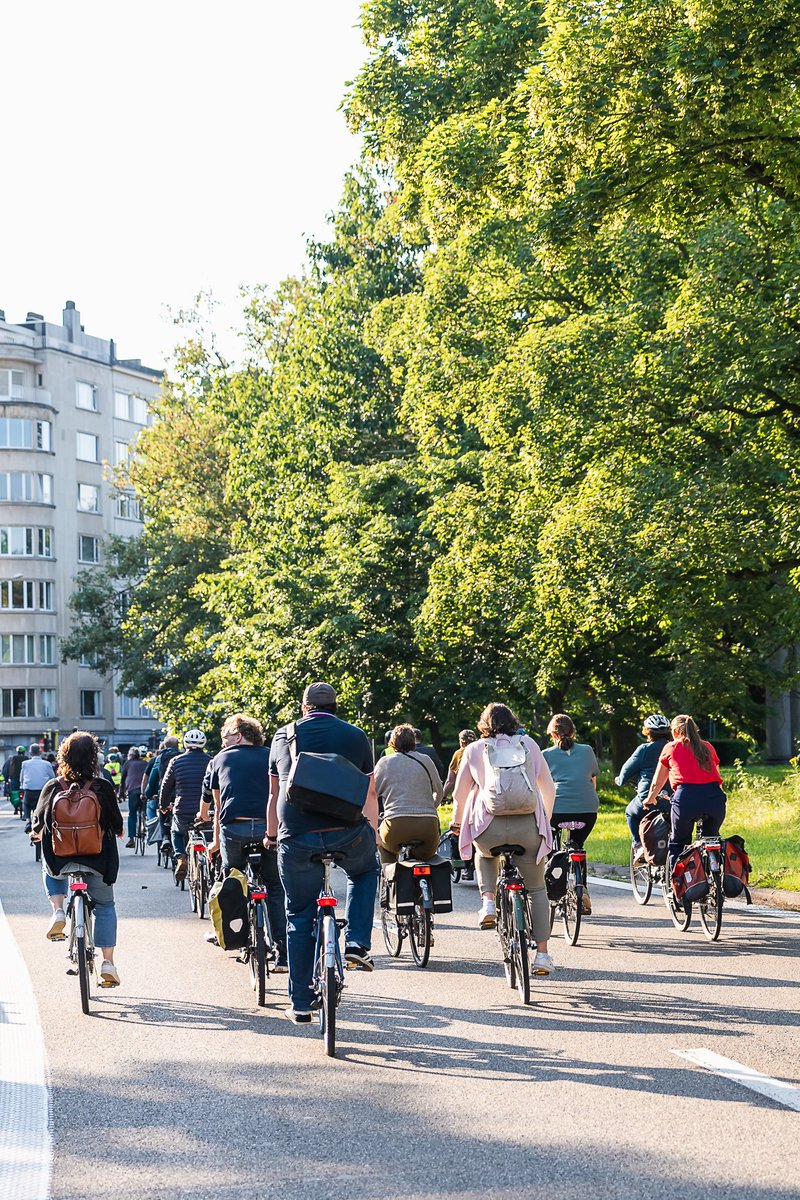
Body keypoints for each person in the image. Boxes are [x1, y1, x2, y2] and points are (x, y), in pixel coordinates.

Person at [269, 681, 379, 1023]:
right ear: (335, 707)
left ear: (304, 708)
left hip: (297, 834)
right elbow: (370, 793)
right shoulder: (357, 736)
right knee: (364, 871)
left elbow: (274, 795)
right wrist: (371, 836)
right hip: (346, 830)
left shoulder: (282, 736)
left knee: (299, 915)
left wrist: (272, 836)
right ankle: (357, 943)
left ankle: (300, 1002)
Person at [451, 702, 556, 974]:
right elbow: (548, 787)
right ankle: (542, 955)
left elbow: (460, 794)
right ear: (513, 720)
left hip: (489, 828)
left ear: (484, 724)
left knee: (484, 853)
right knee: (536, 890)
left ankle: (488, 900)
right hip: (528, 829)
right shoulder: (529, 744)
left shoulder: (474, 749)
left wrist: (457, 821)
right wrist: (546, 817)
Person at [31, 731, 123, 986]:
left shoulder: (53, 786)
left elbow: (38, 822)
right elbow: (117, 824)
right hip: (98, 861)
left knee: (48, 868)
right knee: (105, 906)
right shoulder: (102, 786)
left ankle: (59, 911)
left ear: (64, 756)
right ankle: (108, 962)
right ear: (95, 757)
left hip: (61, 861)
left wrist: (36, 834)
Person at [208, 713, 287, 971]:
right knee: (275, 887)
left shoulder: (219, 759)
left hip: (235, 828)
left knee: (233, 881)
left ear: (239, 735)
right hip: (269, 828)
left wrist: (215, 843)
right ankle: (282, 951)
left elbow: (219, 807)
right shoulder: (271, 755)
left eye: (226, 737)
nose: (223, 743)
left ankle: (237, 938)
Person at [644, 713, 727, 879]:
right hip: (715, 799)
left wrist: (650, 798)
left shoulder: (671, 748)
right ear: (695, 730)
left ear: (674, 732)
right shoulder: (708, 747)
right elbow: (717, 776)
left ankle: (678, 886)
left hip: (686, 799)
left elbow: (657, 782)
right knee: (711, 839)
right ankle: (714, 875)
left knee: (678, 843)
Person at [543, 714, 599, 915]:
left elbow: (542, 787)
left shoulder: (546, 754)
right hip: (587, 811)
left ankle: (552, 886)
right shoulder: (587, 750)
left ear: (553, 734)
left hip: (556, 811)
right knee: (578, 846)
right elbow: (592, 782)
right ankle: (582, 889)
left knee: (550, 847)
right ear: (573, 732)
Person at [374, 724, 443, 862]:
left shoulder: (385, 762)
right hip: (428, 825)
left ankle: (390, 871)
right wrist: (431, 807)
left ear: (392, 742)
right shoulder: (426, 760)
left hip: (395, 824)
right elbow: (439, 791)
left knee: (386, 848)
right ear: (414, 741)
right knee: (425, 855)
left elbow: (372, 793)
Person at [616, 714, 673, 863]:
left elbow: (624, 774)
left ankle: (639, 845)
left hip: (649, 799)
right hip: (674, 799)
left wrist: (619, 780)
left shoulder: (644, 749)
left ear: (647, 731)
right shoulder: (675, 747)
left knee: (631, 813)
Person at [159, 729, 212, 882]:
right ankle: (212, 864)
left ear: (184, 744)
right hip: (206, 811)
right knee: (210, 837)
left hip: (182, 810)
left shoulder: (176, 761)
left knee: (176, 832)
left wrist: (163, 805)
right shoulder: (211, 761)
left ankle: (181, 857)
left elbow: (166, 786)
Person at [20, 744, 55, 832]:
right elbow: (53, 778)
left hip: (29, 790)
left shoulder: (25, 764)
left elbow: (21, 778)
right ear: (40, 752)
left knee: (26, 803)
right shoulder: (47, 764)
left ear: (30, 753)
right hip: (42, 791)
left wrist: (22, 785)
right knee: (46, 807)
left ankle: (28, 819)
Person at [120, 747, 148, 847]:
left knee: (132, 814)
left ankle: (131, 838)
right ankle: (145, 827)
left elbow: (123, 779)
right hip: (144, 791)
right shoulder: (145, 763)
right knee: (145, 812)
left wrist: (121, 793)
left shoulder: (128, 763)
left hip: (132, 791)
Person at [3, 745, 28, 817]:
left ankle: (16, 808)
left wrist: (6, 779)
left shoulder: (11, 759)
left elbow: (6, 771)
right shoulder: (27, 759)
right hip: (24, 779)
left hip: (14, 780)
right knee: (27, 793)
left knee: (13, 794)